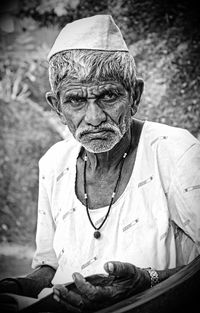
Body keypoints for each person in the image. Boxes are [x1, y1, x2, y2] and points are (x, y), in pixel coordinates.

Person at [0, 14, 200, 312]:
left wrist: (148, 280)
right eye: (76, 100)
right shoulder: (54, 163)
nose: (94, 118)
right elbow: (50, 266)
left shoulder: (175, 152)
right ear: (56, 105)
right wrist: (18, 286)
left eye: (108, 96)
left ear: (135, 95)